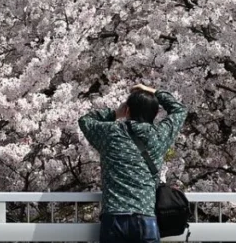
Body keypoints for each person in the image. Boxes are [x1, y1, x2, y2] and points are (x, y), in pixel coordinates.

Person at [78, 83, 187, 243]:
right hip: (145, 219)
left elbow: (85, 120)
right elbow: (180, 110)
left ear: (128, 110)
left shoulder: (111, 133)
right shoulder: (159, 135)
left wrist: (115, 113)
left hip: (114, 218)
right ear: (155, 113)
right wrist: (153, 91)